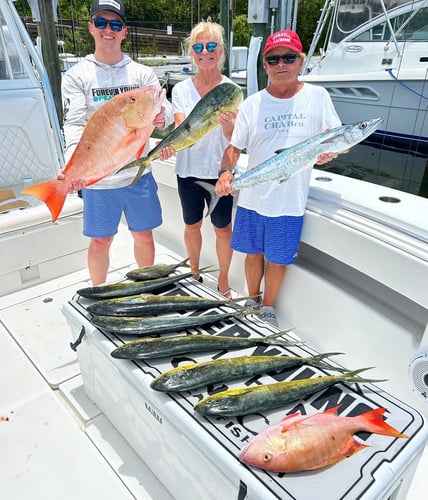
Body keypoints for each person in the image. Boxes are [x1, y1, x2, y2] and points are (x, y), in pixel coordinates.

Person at [215, 29, 342, 326]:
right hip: (252, 197)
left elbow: (337, 139)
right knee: (252, 254)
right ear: (265, 65)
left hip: (289, 201)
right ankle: (252, 298)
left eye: (288, 57)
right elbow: (233, 149)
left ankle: (268, 307)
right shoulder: (251, 104)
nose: (281, 64)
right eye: (273, 59)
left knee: (278, 260)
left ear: (300, 61)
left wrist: (331, 152)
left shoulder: (318, 97)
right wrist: (225, 173)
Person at [61, 0, 173, 285]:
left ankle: (146, 291)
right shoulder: (77, 76)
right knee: (100, 241)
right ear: (91, 28)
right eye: (101, 23)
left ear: (124, 31)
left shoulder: (142, 74)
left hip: (138, 174)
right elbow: (74, 124)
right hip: (100, 180)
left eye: (115, 24)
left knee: (144, 234)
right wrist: (71, 166)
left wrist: (162, 116)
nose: (107, 30)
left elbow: (164, 108)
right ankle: (99, 292)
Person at [161, 21, 238, 299]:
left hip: (219, 172)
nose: (205, 52)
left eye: (211, 46)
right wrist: (171, 145)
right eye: (198, 47)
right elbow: (182, 127)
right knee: (191, 225)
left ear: (220, 49)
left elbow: (234, 139)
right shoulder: (181, 89)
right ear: (192, 52)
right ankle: (194, 273)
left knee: (222, 229)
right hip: (189, 171)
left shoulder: (231, 89)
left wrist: (229, 126)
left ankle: (224, 282)